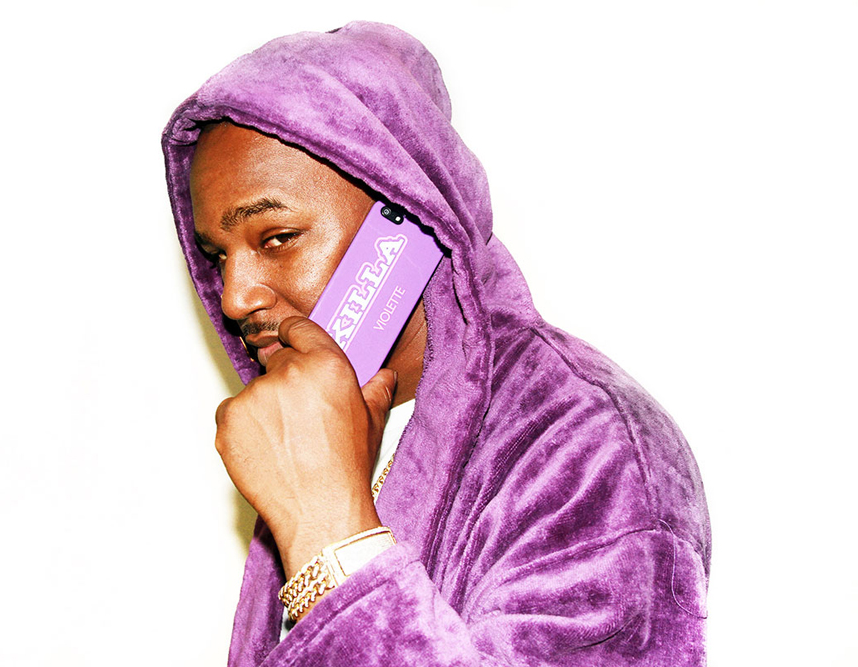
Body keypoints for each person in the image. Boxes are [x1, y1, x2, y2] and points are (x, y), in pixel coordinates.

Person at [162, 21, 709, 667]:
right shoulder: (318, 423)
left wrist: (326, 532)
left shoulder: (586, 445)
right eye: (217, 256)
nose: (234, 297)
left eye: (276, 238)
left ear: (405, 219)